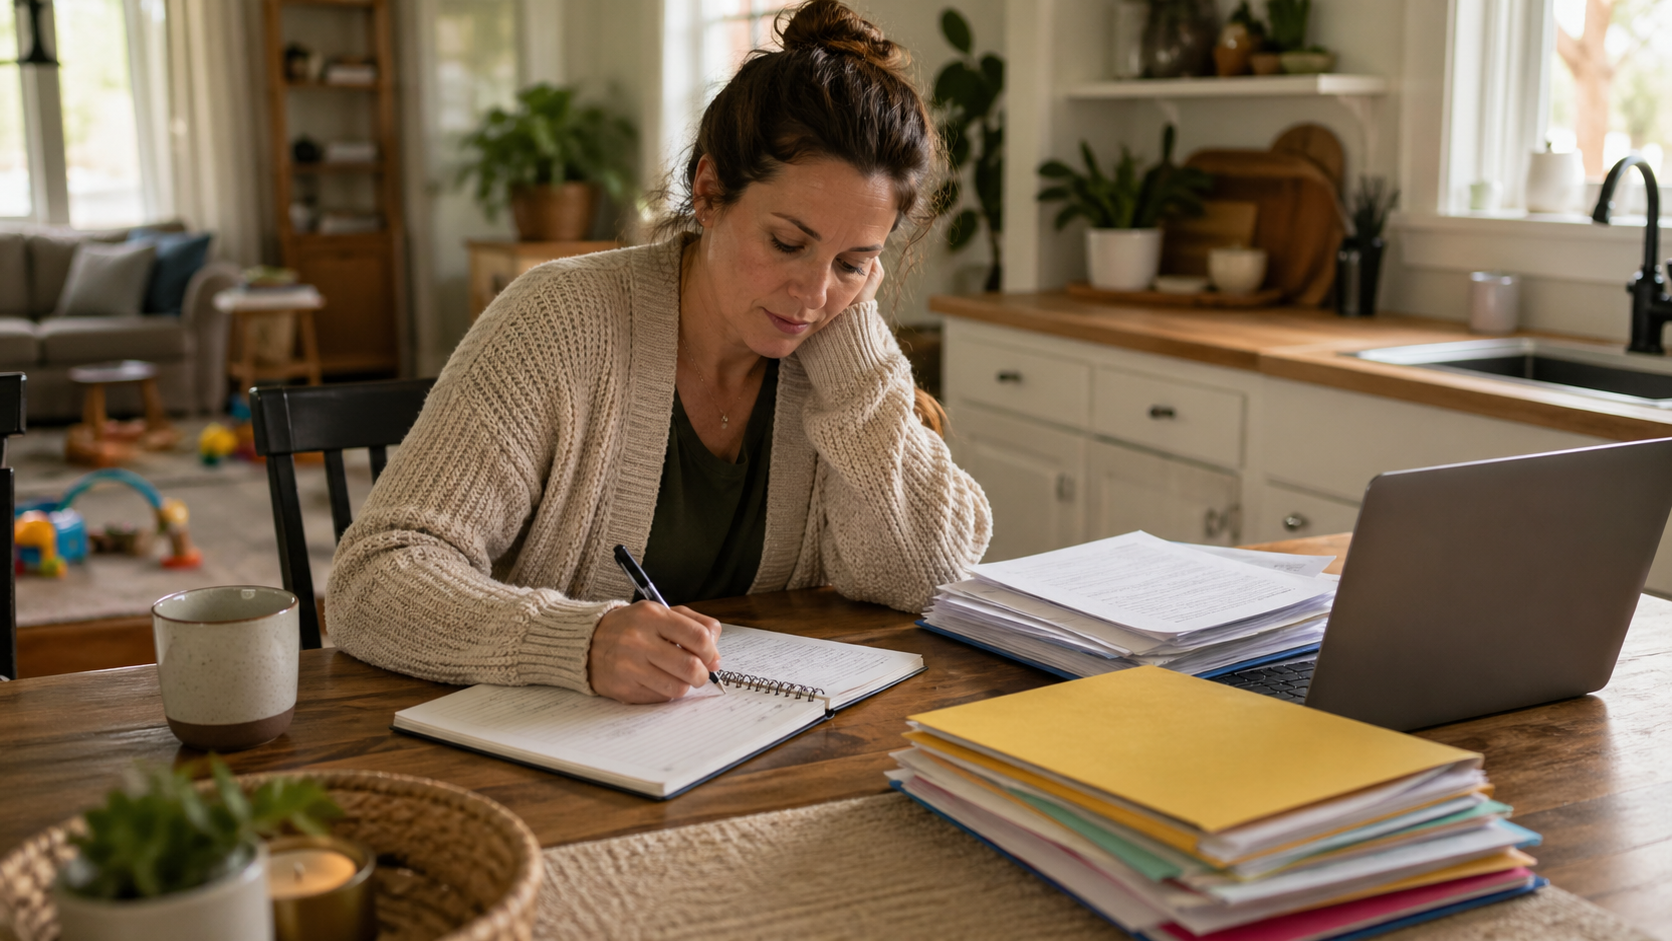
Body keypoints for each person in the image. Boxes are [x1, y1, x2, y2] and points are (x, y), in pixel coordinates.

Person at [326, 0, 992, 704]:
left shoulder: (832, 350)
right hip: (545, 754)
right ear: (709, 193)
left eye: (854, 262)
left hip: (754, 751)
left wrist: (852, 339)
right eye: (787, 244)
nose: (811, 293)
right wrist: (575, 641)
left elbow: (927, 574)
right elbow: (373, 580)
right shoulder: (560, 322)